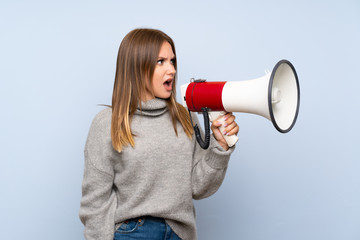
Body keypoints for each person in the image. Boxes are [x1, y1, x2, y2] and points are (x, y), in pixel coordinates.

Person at [79, 28, 239, 240]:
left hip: (180, 233)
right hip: (132, 233)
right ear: (137, 66)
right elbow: (95, 203)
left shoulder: (184, 117)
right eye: (160, 61)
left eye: (172, 61)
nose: (171, 69)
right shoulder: (107, 123)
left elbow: (199, 188)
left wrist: (220, 147)